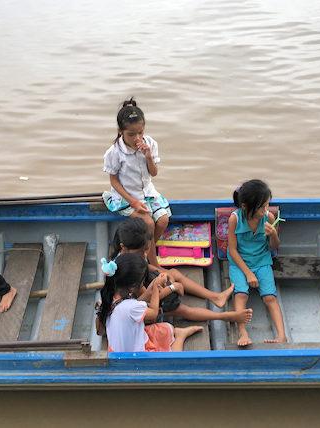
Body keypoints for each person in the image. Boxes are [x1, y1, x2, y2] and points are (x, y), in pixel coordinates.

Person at [108, 218, 253, 324]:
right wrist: (172, 287)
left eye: (147, 251)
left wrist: (162, 271)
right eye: (142, 253)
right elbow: (148, 298)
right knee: (181, 309)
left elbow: (145, 266)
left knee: (174, 273)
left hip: (145, 286)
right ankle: (225, 316)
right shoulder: (130, 273)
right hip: (141, 304)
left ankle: (215, 297)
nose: (145, 256)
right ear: (124, 246)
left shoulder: (127, 256)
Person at [102, 98, 171, 269]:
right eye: (131, 134)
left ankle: (142, 252)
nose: (137, 138)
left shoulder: (150, 144)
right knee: (148, 223)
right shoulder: (115, 152)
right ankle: (154, 264)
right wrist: (133, 202)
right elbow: (114, 181)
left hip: (147, 192)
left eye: (140, 132)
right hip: (126, 196)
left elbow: (154, 173)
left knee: (162, 220)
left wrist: (148, 157)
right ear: (120, 131)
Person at [97, 252, 202, 352]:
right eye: (142, 281)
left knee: (166, 328)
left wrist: (153, 286)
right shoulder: (131, 306)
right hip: (132, 355)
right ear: (133, 286)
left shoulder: (109, 295)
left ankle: (177, 332)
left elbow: (130, 309)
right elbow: (153, 315)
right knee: (172, 360)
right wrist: (156, 287)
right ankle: (180, 337)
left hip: (121, 347)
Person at [228, 179, 285, 346]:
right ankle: (242, 332)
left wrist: (273, 234)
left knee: (270, 298)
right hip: (240, 263)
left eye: (267, 205)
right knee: (241, 295)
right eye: (261, 207)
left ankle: (282, 336)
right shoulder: (235, 219)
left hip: (262, 261)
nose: (265, 210)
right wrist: (248, 273)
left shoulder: (268, 217)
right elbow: (232, 250)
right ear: (245, 206)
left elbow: (274, 247)